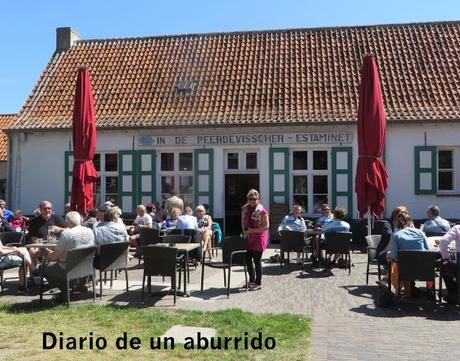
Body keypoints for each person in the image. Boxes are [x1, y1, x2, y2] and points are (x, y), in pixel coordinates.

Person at [43, 211, 95, 294]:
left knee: (44, 267)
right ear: (80, 220)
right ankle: (78, 285)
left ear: (67, 222)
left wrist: (48, 253)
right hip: (86, 266)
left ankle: (65, 289)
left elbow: (54, 257)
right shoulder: (90, 231)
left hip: (68, 267)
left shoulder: (67, 234)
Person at [388, 211, 430, 299]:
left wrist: (389, 254)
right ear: (410, 222)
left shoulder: (395, 235)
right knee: (408, 262)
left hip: (406, 271)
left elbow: (394, 256)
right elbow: (428, 250)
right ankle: (430, 291)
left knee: (403, 263)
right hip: (424, 270)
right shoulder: (420, 232)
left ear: (397, 224)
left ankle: (405, 293)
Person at [241, 189, 269, 291]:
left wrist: (252, 230)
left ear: (258, 199)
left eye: (254, 199)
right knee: (248, 259)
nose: (252, 201)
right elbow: (243, 222)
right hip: (249, 237)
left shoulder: (262, 211)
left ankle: (258, 283)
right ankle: (251, 280)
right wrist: (244, 231)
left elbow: (266, 227)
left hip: (259, 237)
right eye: (250, 199)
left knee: (257, 260)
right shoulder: (245, 209)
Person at [439, 225, 460, 304]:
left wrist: (446, 256)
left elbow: (444, 242)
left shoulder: (457, 228)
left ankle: (453, 293)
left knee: (444, 265)